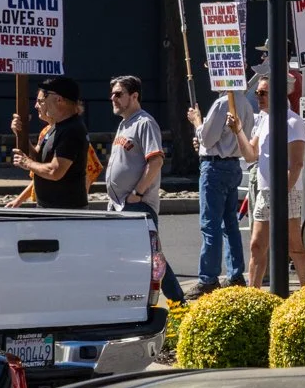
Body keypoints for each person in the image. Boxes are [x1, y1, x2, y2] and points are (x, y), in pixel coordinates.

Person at [103, 76, 183, 304]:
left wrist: (137, 193)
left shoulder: (144, 122)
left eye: (118, 94)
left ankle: (177, 302)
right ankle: (130, 301)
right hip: (120, 203)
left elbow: (156, 161)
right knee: (129, 257)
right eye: (112, 94)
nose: (113, 98)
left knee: (153, 257)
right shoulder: (124, 123)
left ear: (134, 96)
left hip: (138, 204)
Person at [235, 71, 305, 290]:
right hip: (266, 189)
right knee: (257, 245)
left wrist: (283, 193)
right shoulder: (265, 120)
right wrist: (238, 131)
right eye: (257, 92)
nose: (258, 97)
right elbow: (251, 154)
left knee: (293, 244)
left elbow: (297, 163)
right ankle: (253, 293)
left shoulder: (292, 121)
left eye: (263, 93)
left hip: (286, 189)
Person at [186, 79, 255, 290]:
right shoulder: (245, 103)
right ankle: (235, 274)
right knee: (230, 224)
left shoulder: (223, 102)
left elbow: (207, 139)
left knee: (211, 226)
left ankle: (208, 278)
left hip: (215, 167)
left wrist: (197, 122)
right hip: (233, 165)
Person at [10, 76, 91, 211]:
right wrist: (21, 134)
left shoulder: (72, 129)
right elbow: (38, 158)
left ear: (59, 99)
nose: (37, 105)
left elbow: (55, 171)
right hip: (49, 207)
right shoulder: (56, 126)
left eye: (41, 101)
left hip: (66, 212)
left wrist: (27, 163)